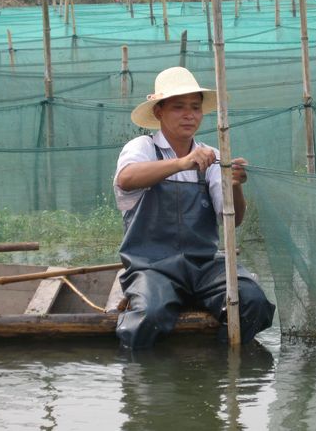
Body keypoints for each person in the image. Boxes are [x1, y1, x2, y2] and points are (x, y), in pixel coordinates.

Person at [113, 66, 275, 349]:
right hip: (151, 267)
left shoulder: (212, 157)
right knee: (150, 315)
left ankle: (218, 366)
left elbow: (233, 219)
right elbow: (126, 179)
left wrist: (235, 185)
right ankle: (144, 372)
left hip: (203, 266)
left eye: (195, 107)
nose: (189, 115)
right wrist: (181, 163)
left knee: (253, 302)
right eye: (178, 107)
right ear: (159, 112)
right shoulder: (142, 148)